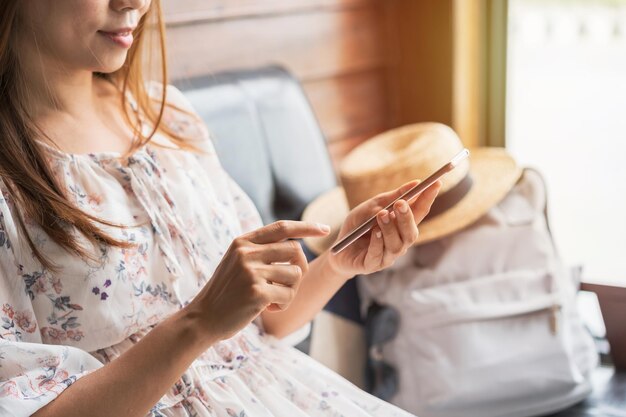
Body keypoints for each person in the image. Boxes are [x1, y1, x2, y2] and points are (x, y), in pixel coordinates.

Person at [0, 1, 442, 416]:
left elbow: (262, 323)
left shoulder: (165, 114)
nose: (134, 2)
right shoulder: (10, 179)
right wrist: (198, 323)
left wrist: (337, 263)